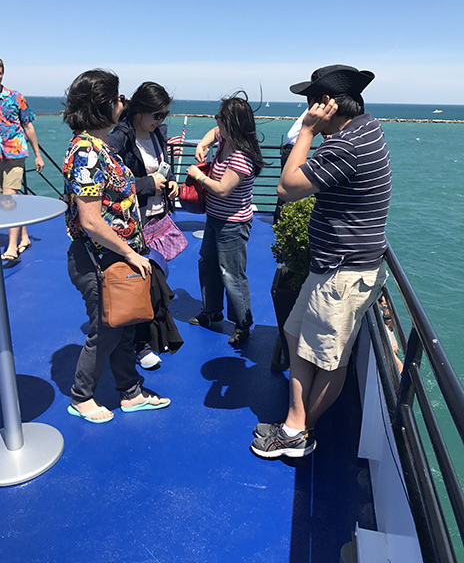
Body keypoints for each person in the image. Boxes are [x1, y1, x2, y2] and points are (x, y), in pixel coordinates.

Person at [251, 65, 391, 458]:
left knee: (330, 360)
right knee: (295, 335)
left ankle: (297, 433)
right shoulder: (367, 128)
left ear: (325, 105)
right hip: (335, 267)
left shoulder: (344, 146)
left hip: (343, 274)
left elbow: (287, 188)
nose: (306, 112)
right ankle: (295, 422)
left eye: (310, 104)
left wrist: (308, 132)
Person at [63, 69, 170, 423]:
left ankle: (131, 392)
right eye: (117, 98)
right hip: (98, 260)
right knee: (106, 330)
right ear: (102, 105)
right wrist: (130, 252)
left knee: (123, 325)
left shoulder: (99, 147)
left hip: (113, 257)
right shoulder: (87, 153)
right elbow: (91, 221)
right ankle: (82, 396)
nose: (122, 103)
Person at [108, 81, 180, 369]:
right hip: (133, 221)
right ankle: (141, 343)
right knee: (144, 281)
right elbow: (112, 184)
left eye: (164, 115)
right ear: (139, 109)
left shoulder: (156, 133)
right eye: (157, 115)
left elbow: (163, 167)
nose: (160, 121)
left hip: (157, 217)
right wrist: (149, 184)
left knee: (157, 277)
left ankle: (147, 336)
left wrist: (171, 182)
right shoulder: (120, 137)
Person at [187, 92, 264, 346]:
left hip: (233, 223)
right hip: (214, 217)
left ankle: (242, 323)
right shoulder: (225, 138)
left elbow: (222, 189)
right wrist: (202, 145)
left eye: (219, 118)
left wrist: (197, 175)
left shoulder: (241, 156)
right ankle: (212, 311)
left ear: (231, 123)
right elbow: (213, 133)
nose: (216, 121)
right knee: (207, 263)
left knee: (231, 273)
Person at [0, 56, 45, 260]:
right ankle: (24, 237)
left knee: (8, 199)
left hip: (15, 154)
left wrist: (38, 155)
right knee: (2, 200)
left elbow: (28, 126)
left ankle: (11, 247)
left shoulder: (15, 97)